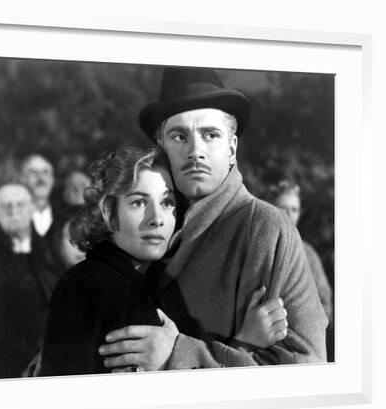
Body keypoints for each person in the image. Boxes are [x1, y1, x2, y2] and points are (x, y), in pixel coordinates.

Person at [98, 67, 328, 371]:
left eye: (210, 135)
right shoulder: (141, 224)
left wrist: (177, 354)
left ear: (232, 149)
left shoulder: (266, 228)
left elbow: (307, 367)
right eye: (179, 136)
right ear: (161, 147)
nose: (195, 151)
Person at [40, 146, 288, 376]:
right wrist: (245, 343)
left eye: (167, 202)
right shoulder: (98, 287)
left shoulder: (158, 280)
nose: (156, 218)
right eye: (138, 202)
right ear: (109, 213)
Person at [0, 183, 59, 379]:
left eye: (20, 204)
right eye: (6, 206)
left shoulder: (49, 251)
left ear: (31, 208)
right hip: (8, 364)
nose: (13, 211)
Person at [268, 179, 334, 360]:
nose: (289, 214)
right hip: (264, 346)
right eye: (283, 208)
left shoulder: (309, 254)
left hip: (303, 347)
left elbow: (325, 302)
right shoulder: (259, 249)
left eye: (294, 209)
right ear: (271, 208)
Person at [18, 153, 56, 238]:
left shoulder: (64, 219)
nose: (40, 177)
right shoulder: (11, 218)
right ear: (22, 179)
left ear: (53, 179)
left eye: (45, 172)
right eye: (33, 172)